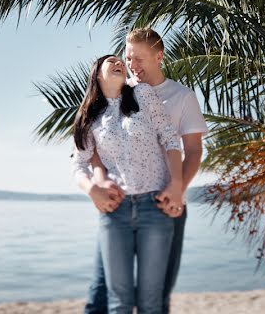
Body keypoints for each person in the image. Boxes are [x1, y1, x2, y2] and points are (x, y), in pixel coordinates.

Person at [80, 29, 208, 314]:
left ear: (159, 56)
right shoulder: (118, 93)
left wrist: (178, 189)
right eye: (128, 57)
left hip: (166, 203)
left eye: (138, 58)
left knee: (157, 295)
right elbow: (96, 151)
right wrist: (97, 183)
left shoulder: (181, 96)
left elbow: (194, 150)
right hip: (121, 206)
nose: (131, 64)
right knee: (101, 290)